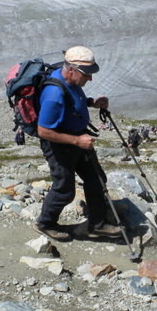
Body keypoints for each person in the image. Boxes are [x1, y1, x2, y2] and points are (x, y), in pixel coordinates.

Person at [33, 46, 122, 241]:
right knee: (64, 190)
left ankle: (97, 224)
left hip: (77, 140)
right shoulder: (53, 94)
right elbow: (44, 131)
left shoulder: (70, 80)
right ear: (71, 69)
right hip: (60, 146)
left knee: (96, 179)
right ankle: (45, 223)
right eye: (86, 74)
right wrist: (77, 140)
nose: (90, 79)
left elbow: (72, 99)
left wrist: (91, 102)